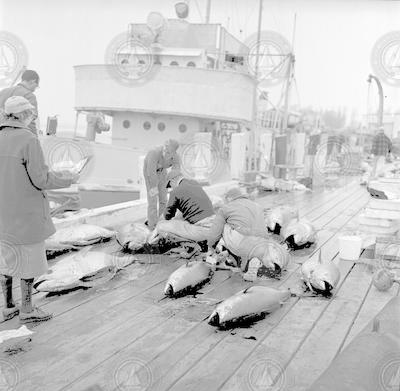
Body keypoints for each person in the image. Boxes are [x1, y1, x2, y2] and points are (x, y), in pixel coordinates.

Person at [0, 96, 78, 323]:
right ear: (24, 115)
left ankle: (8, 307)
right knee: (29, 262)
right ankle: (27, 309)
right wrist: (68, 178)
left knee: (6, 260)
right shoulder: (28, 139)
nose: (32, 118)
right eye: (31, 114)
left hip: (3, 216)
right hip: (26, 215)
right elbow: (41, 179)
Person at [206, 187, 268, 269]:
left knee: (225, 224)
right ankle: (251, 260)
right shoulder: (257, 206)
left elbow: (214, 234)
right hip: (262, 244)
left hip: (242, 243)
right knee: (242, 225)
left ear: (229, 198)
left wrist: (210, 248)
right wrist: (227, 252)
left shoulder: (225, 209)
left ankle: (235, 258)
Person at [143, 139, 180, 230]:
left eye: (168, 152)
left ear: (174, 152)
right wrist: (154, 187)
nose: (165, 153)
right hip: (150, 174)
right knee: (153, 200)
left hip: (163, 173)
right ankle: (152, 225)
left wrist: (169, 179)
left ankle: (162, 223)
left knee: (163, 199)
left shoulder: (175, 156)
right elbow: (151, 172)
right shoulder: (154, 152)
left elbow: (176, 169)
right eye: (165, 150)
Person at [0, 70, 40, 135]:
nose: (34, 90)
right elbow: (30, 119)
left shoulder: (3, 92)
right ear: (32, 81)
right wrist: (34, 138)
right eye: (36, 86)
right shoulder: (29, 95)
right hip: (20, 136)